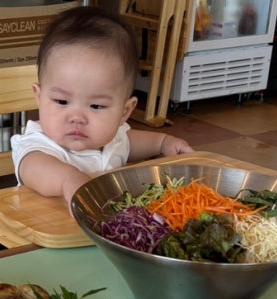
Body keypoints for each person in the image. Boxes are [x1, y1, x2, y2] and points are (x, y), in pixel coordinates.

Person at [11, 5, 193, 208]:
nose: (77, 117)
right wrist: (68, 179)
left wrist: (163, 142)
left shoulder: (113, 139)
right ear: (39, 97)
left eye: (96, 106)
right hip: (41, 227)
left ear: (124, 112)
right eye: (62, 102)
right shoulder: (38, 146)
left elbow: (130, 142)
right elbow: (35, 169)